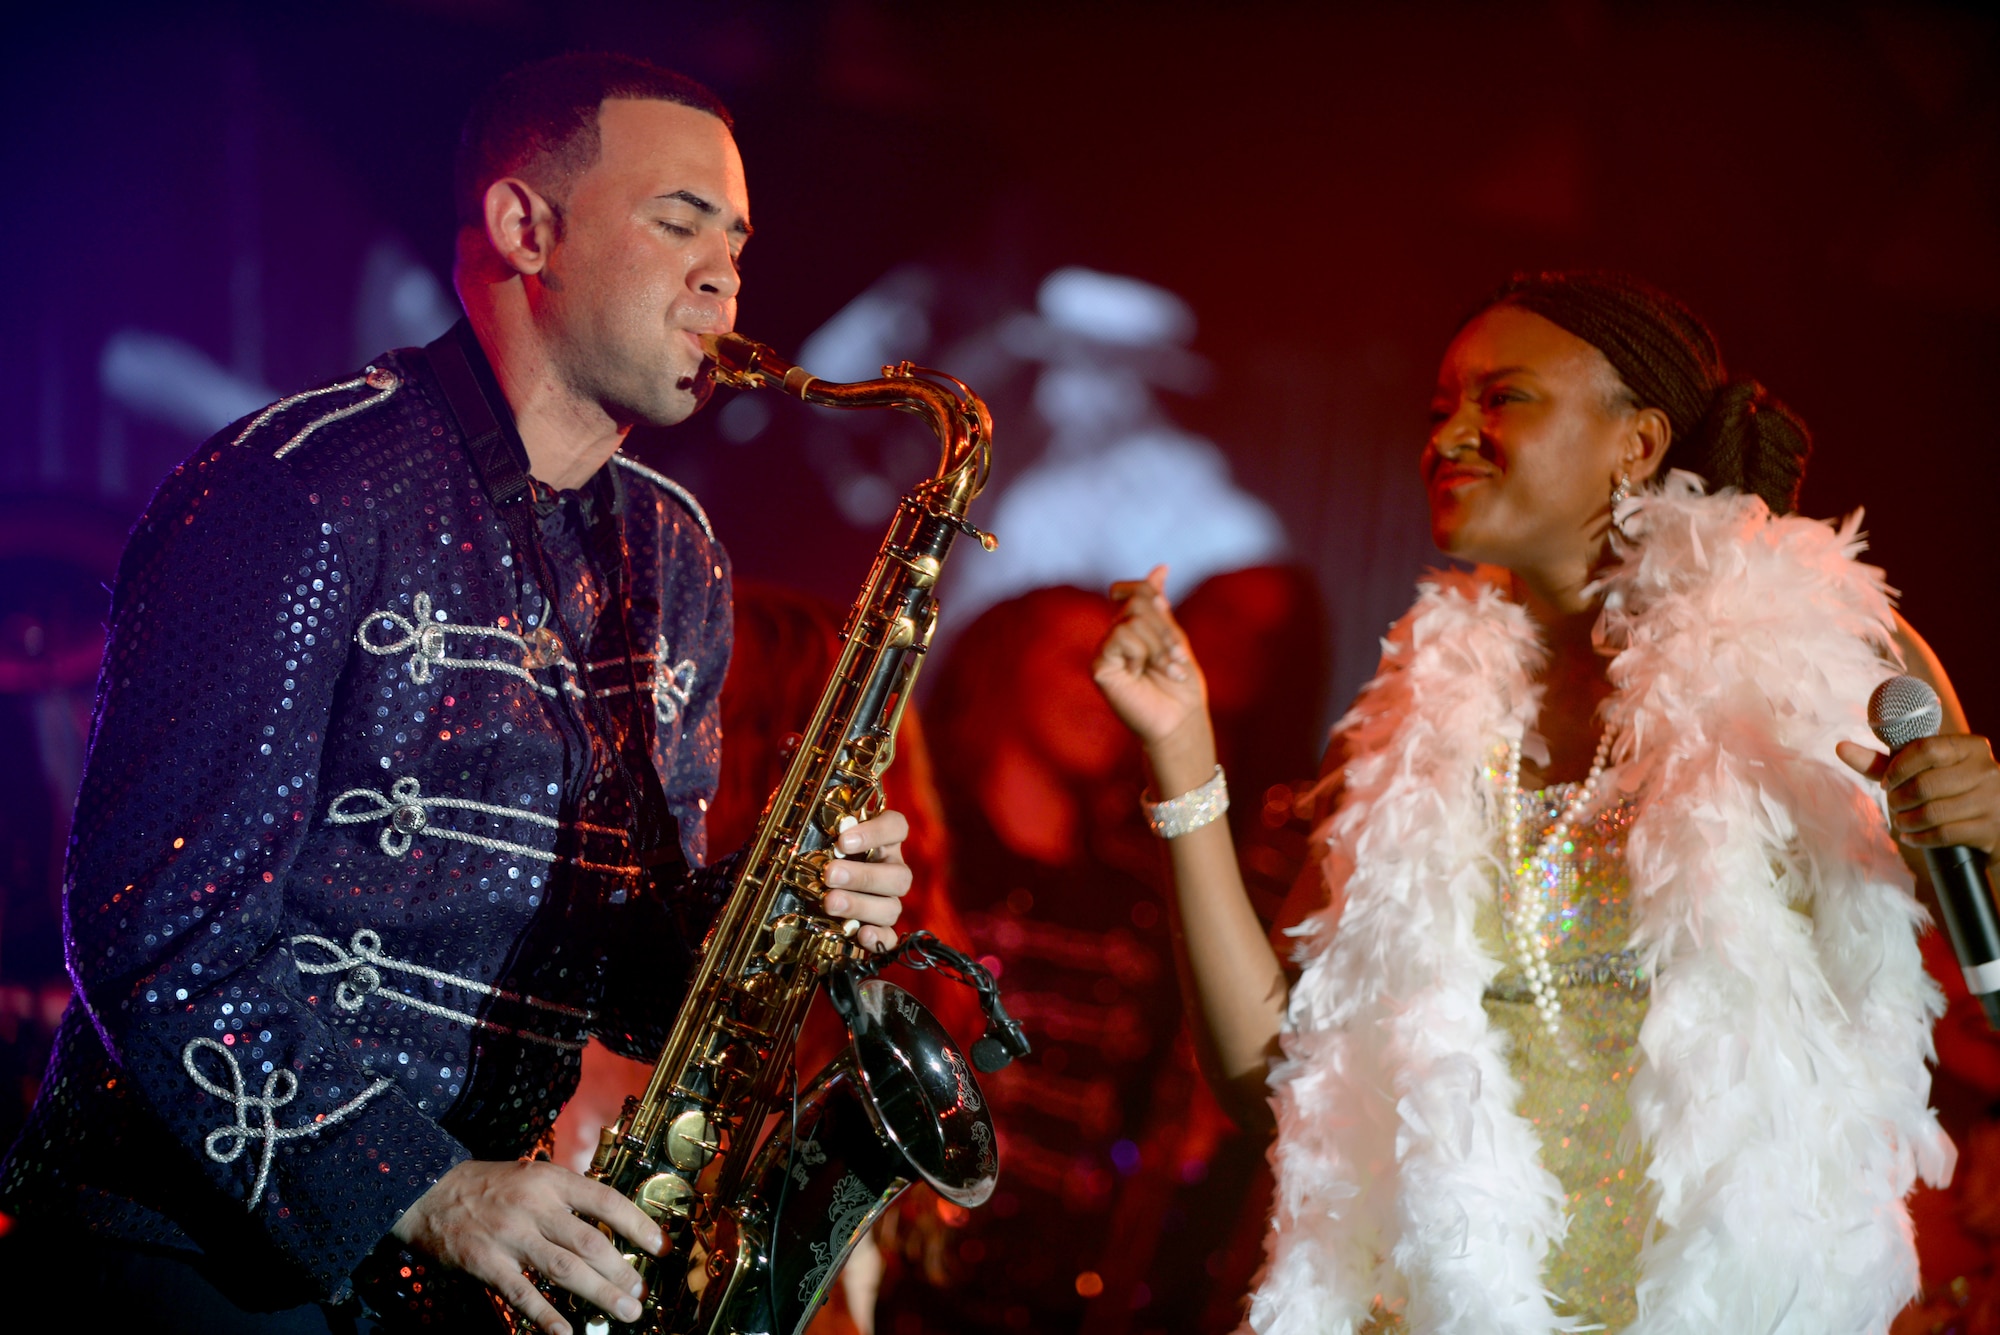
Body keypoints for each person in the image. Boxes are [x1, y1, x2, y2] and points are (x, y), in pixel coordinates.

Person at [0, 54, 915, 1335]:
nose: (725, 277)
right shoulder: (293, 489)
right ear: (524, 227)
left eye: (737, 242)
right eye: (679, 224)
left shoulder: (678, 553)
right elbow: (158, 930)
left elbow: (629, 979)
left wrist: (778, 907)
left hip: (451, 1270)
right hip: (187, 1255)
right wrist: (414, 1187)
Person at [1092, 270, 2000, 1332]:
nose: (1448, 436)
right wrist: (1182, 758)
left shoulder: (1832, 656)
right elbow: (1276, 1086)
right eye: (1439, 408)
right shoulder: (1411, 721)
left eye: (1502, 398)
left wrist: (1993, 839)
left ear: (1637, 442)